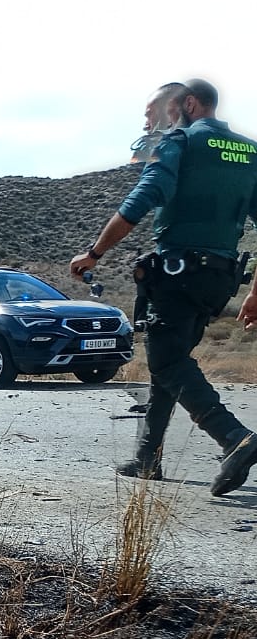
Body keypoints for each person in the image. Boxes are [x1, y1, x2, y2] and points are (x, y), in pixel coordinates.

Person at [70, 78, 257, 496]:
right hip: (219, 278)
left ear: (188, 104)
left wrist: (94, 253)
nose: (155, 120)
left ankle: (234, 438)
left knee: (169, 363)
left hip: (178, 273)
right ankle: (147, 458)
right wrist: (256, 292)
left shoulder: (180, 141)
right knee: (168, 362)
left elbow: (145, 196)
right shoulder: (250, 150)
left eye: (160, 111)